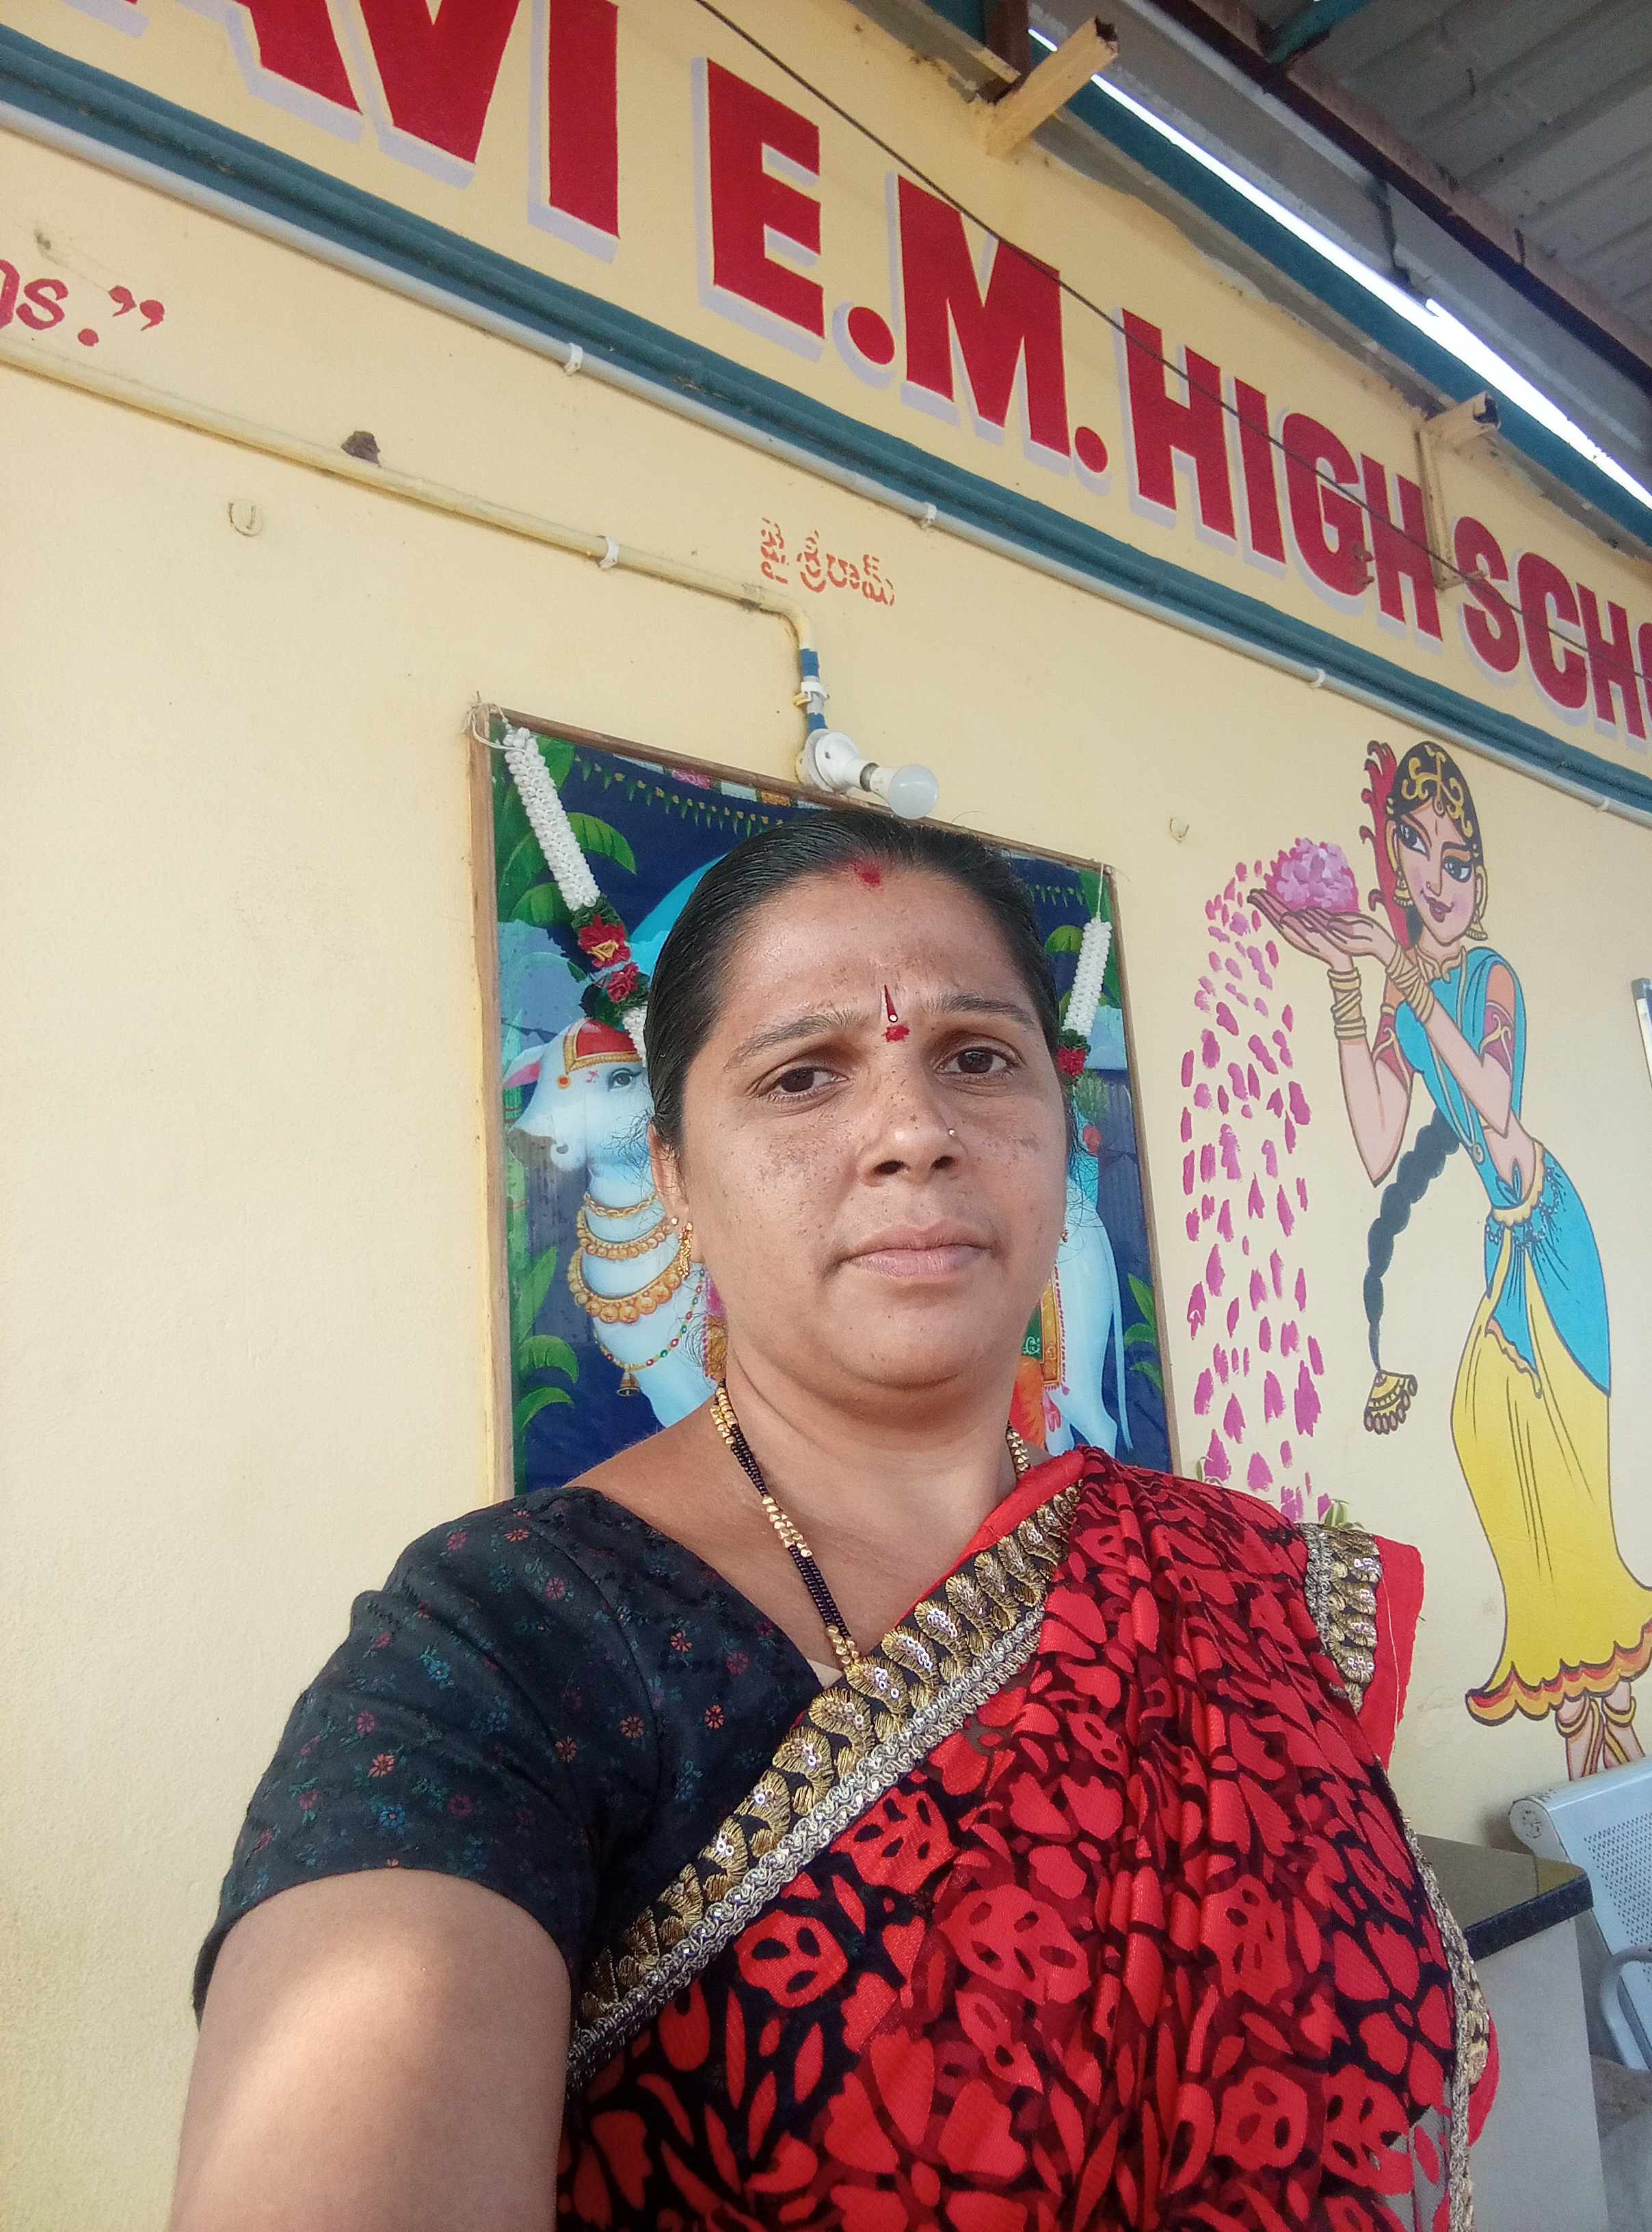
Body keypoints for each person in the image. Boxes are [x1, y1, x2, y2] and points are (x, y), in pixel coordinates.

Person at [174, 811, 1491, 2231]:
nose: (915, 1133)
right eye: (803, 1076)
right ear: (676, 1178)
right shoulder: (501, 1648)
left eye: (977, 1059)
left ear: (1062, 1136)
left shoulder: (1240, 1582)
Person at [1267, 740, 1652, 1781]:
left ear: (1478, 884)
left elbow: (1494, 1100)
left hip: (1550, 1226)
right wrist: (1346, 978)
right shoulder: (1407, 1000)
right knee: (1488, 1436)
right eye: (1417, 853)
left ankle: (1607, 1720)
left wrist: (1398, 968)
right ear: (1397, 868)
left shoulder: (1490, 979)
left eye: (1456, 862)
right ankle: (1585, 1725)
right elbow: (1375, 1140)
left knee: (1560, 1475)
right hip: (1505, 1238)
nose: (1436, 881)